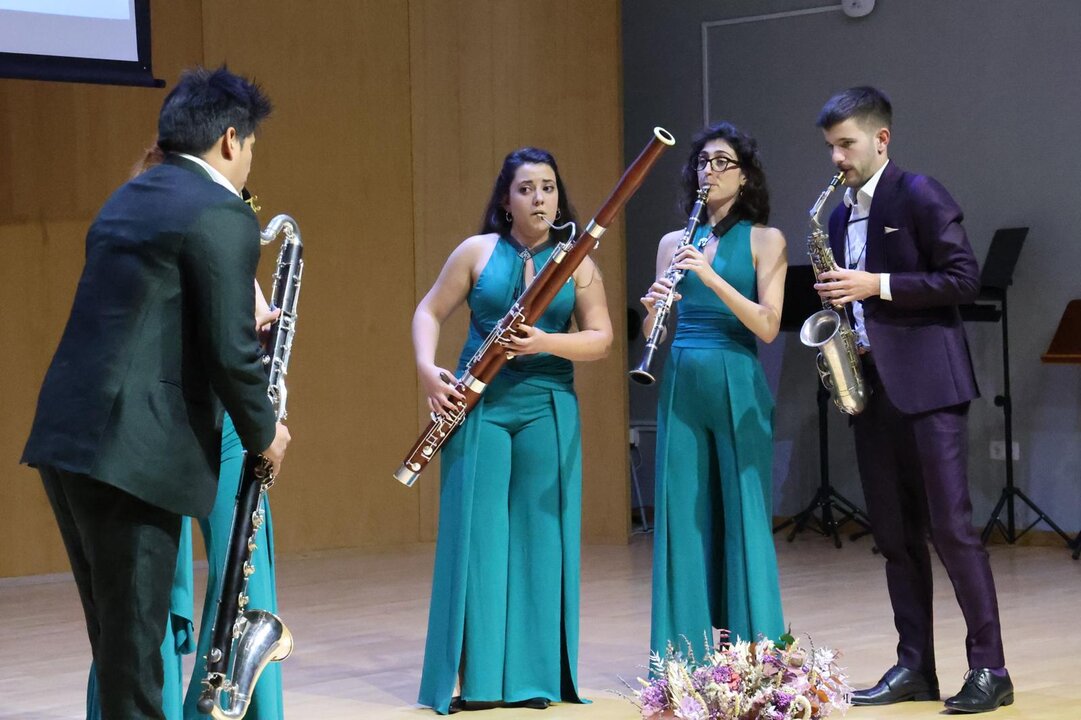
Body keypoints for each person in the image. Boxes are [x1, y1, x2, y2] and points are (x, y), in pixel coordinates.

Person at [21, 66, 291, 720]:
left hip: (69, 442)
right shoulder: (221, 212)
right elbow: (231, 349)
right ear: (230, 140)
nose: (249, 158)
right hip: (134, 457)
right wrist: (266, 432)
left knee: (119, 647)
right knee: (136, 656)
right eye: (251, 144)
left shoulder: (127, 200)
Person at [814, 86, 1012, 713]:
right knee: (895, 537)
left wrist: (878, 284)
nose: (838, 158)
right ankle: (914, 667)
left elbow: (964, 279)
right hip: (871, 389)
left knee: (952, 530)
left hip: (930, 388)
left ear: (881, 139)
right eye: (831, 147)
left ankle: (991, 669)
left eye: (847, 144)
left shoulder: (920, 193)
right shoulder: (840, 215)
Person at [414, 147, 612, 714]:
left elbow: (599, 338)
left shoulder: (578, 261)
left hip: (547, 404)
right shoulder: (477, 252)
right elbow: (429, 312)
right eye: (526, 188)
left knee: (538, 536)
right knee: (480, 537)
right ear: (506, 199)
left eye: (548, 187)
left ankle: (533, 678)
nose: (539, 198)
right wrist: (430, 371)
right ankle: (478, 683)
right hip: (480, 404)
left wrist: (545, 341)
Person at [643, 122, 788, 660]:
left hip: (736, 376)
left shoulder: (765, 239)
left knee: (743, 511)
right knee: (683, 511)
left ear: (745, 176)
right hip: (681, 375)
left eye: (723, 161)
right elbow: (651, 333)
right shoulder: (672, 242)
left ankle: (757, 648)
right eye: (703, 162)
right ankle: (685, 652)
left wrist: (710, 276)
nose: (710, 170)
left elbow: (768, 326)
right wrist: (654, 306)